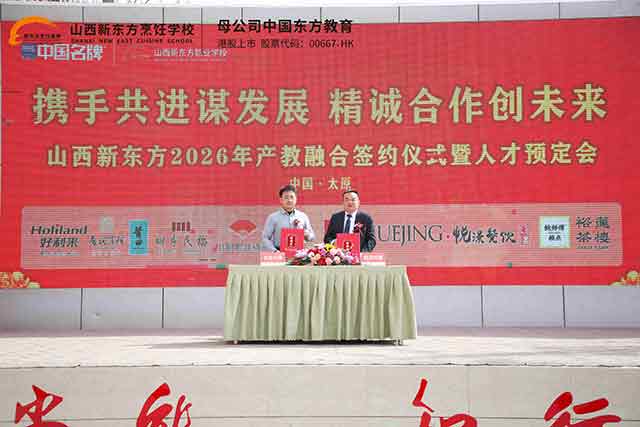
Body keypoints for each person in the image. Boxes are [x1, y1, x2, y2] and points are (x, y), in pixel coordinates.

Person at [261, 184, 315, 252]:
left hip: (299, 254)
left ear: (296, 199)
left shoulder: (303, 216)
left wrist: (307, 235)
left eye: (292, 197)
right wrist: (274, 251)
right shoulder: (273, 217)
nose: (289, 200)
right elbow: (265, 238)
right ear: (281, 200)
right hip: (279, 252)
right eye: (286, 197)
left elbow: (312, 236)